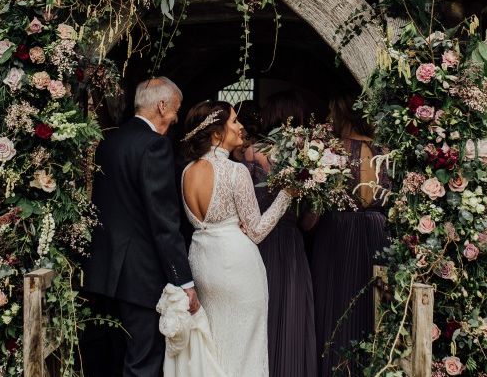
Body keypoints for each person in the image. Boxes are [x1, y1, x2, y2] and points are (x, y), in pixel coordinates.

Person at [83, 77, 200, 377]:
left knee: (112, 359)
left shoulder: (109, 142)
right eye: (175, 110)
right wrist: (184, 281)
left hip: (106, 275)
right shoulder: (154, 147)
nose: (175, 119)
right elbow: (164, 222)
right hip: (140, 278)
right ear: (162, 106)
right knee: (143, 365)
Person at [180, 100, 292, 377]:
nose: (241, 126)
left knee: (213, 342)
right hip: (238, 266)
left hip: (203, 263)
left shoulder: (187, 171)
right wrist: (287, 194)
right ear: (217, 133)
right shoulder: (235, 171)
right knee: (246, 347)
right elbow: (256, 230)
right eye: (233, 121)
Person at [308, 94, 389, 377]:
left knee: (335, 305)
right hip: (377, 233)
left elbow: (313, 215)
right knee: (372, 306)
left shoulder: (331, 151)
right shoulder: (385, 151)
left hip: (338, 235)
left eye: (332, 113)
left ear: (342, 116)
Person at [239, 92, 316, 377]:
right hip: (289, 245)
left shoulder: (249, 154)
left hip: (256, 247)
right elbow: (308, 222)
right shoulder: (306, 158)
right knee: (291, 316)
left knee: (262, 318)